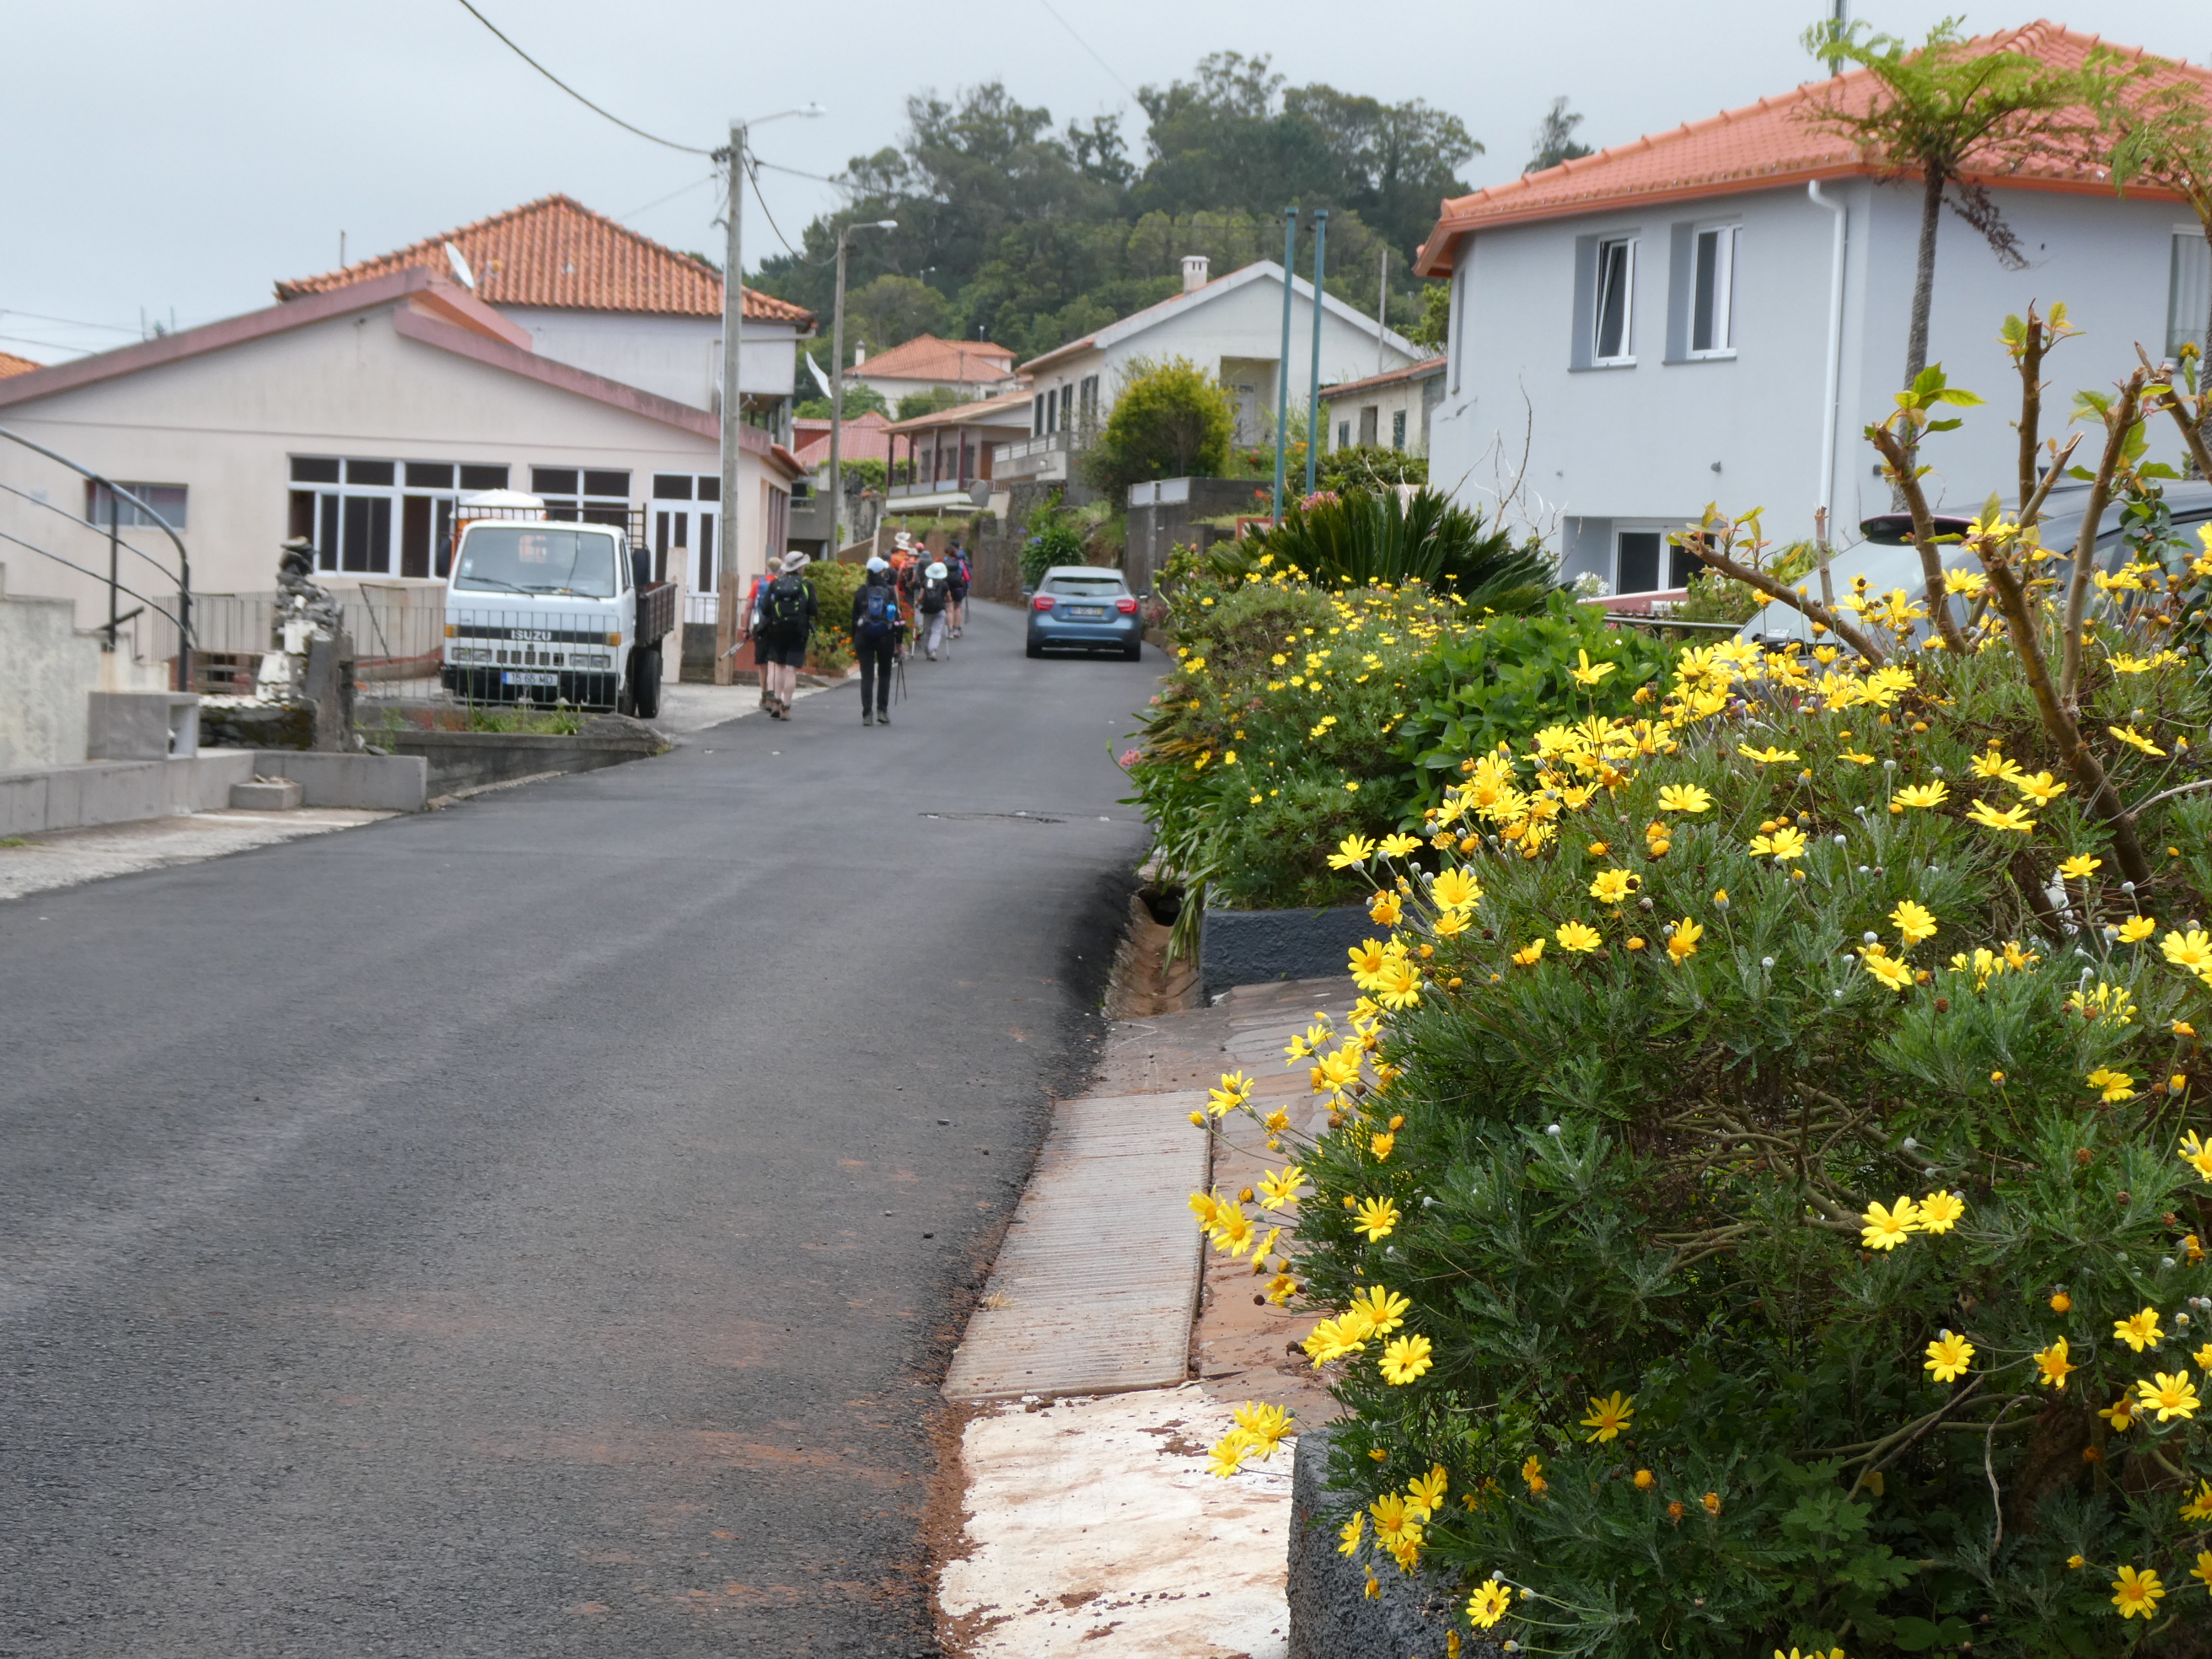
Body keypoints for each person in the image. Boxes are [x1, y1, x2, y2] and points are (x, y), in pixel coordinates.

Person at [752, 550, 817, 719]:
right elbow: (813, 610)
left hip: (777, 630)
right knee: (791, 669)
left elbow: (766, 609)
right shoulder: (806, 584)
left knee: (779, 666)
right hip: (798, 630)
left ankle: (776, 701)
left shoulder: (776, 583)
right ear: (800, 567)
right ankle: (786, 707)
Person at [851, 555, 905, 726]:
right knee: (884, 673)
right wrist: (899, 642)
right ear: (882, 572)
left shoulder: (862, 590)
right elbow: (896, 618)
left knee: (867, 675)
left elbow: (854, 617)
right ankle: (882, 711)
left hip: (864, 636)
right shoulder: (889, 591)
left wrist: (855, 637)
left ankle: (867, 714)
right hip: (885, 636)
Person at [733, 563, 779, 709]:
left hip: (761, 626)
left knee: (762, 662)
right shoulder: (782, 584)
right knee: (775, 662)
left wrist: (746, 629)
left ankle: (764, 696)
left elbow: (749, 607)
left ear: (767, 569)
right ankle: (773, 695)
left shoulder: (758, 583)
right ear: (780, 570)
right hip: (779, 627)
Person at [916, 547, 952, 660]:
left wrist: (917, 603)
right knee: (936, 631)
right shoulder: (944, 584)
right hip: (940, 609)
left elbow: (921, 596)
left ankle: (927, 650)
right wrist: (947, 601)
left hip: (927, 609)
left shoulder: (925, 582)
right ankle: (933, 651)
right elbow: (949, 598)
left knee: (927, 631)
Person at [946, 537, 971, 638]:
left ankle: (950, 631)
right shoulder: (961, 563)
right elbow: (967, 578)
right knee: (957, 608)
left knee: (949, 609)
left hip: (947, 588)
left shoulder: (945, 562)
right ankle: (957, 629)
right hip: (958, 588)